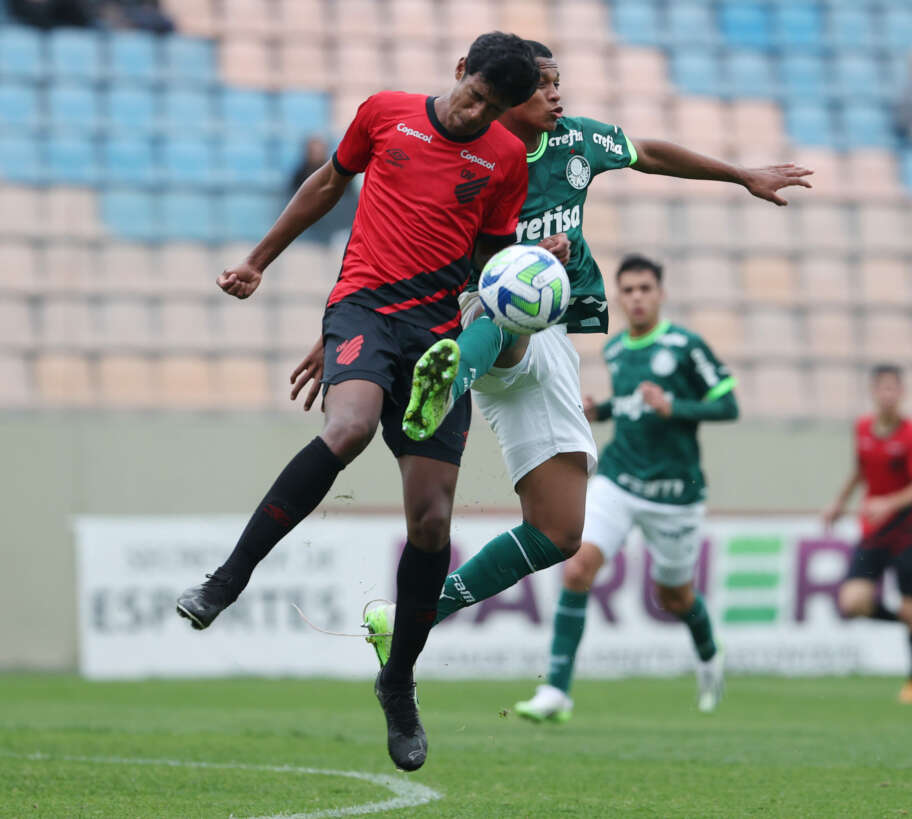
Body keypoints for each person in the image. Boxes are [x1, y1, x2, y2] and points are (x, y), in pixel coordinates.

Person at [288, 41, 808, 676]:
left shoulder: (577, 143)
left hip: (552, 339)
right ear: (504, 97)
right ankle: (447, 380)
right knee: (513, 290)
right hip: (472, 317)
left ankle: (409, 618)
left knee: (560, 532)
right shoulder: (470, 154)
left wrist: (741, 175)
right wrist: (343, 328)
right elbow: (387, 245)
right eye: (541, 86)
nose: (556, 95)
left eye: (558, 83)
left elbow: (649, 153)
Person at [174, 31, 539, 772]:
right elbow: (326, 186)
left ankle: (397, 681)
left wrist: (524, 280)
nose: (476, 114)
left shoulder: (505, 158)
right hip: (365, 309)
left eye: (492, 108)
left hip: (437, 335)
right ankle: (225, 581)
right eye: (474, 96)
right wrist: (258, 261)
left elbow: (489, 262)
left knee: (431, 519)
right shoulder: (385, 113)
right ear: (459, 70)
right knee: (349, 426)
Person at [515, 254, 738, 721]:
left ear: (661, 294)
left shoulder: (685, 345)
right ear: (619, 296)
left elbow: (727, 405)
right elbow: (634, 403)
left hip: (674, 493)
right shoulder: (616, 349)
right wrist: (602, 410)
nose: (637, 298)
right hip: (619, 480)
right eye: (629, 290)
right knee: (577, 569)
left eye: (645, 289)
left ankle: (709, 655)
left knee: (674, 597)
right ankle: (556, 691)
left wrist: (675, 407)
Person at [823, 364, 912, 704]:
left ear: (902, 394)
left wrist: (889, 502)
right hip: (875, 530)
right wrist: (840, 502)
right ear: (873, 392)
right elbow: (860, 469)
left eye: (893, 389)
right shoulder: (862, 428)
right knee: (852, 602)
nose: (888, 395)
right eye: (882, 388)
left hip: (909, 529)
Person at [289, 136, 358, 245]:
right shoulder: (300, 173)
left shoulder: (338, 171)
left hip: (333, 220)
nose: (316, 153)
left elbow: (349, 199)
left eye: (319, 150)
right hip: (308, 224)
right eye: (313, 150)